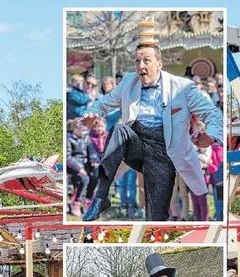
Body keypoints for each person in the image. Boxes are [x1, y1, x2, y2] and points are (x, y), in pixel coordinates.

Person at [81, 42, 223, 221]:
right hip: (137, 145)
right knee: (119, 129)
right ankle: (101, 198)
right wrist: (92, 113)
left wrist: (210, 136)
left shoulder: (183, 87)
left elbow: (212, 113)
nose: (141, 66)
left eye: (146, 61)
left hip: (164, 153)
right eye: (137, 61)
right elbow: (102, 103)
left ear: (159, 65)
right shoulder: (128, 82)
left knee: (156, 218)